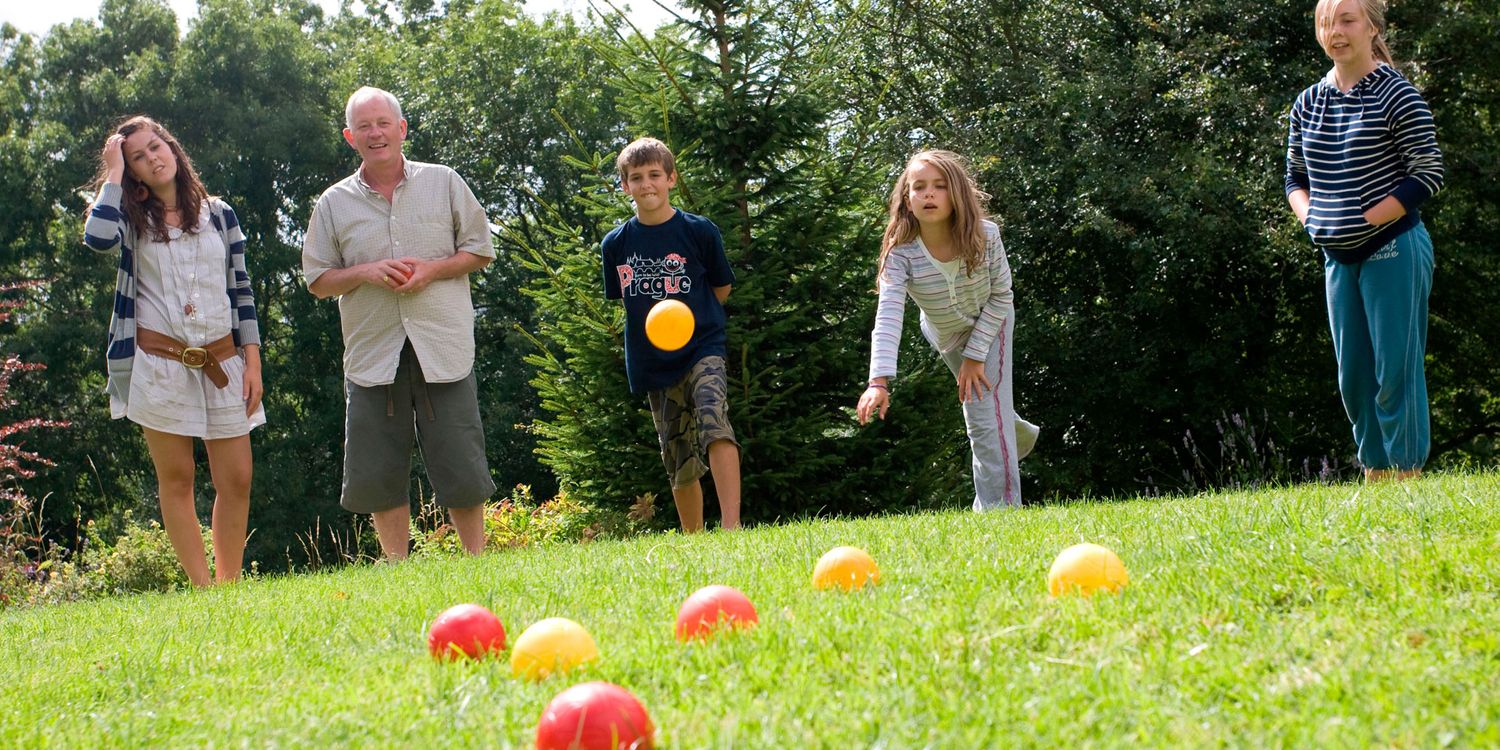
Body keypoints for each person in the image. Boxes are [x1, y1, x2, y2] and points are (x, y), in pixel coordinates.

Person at [302, 87, 496, 559]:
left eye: (383, 123)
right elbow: (317, 280)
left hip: (442, 345)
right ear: (350, 137)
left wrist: (431, 270)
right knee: (379, 468)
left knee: (459, 459)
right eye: (364, 126)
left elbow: (481, 250)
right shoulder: (333, 203)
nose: (375, 133)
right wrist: (365, 273)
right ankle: (398, 569)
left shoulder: (445, 181)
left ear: (402, 128)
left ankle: (476, 561)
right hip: (374, 351)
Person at [83, 116, 264, 586]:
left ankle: (230, 584)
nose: (152, 158)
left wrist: (253, 362)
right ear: (134, 173)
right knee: (178, 477)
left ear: (173, 147)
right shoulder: (128, 220)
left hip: (224, 360)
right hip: (159, 363)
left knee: (237, 478)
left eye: (155, 146)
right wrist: (113, 173)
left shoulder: (220, 214)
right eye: (138, 157)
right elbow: (96, 238)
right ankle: (203, 589)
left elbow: (242, 292)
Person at [1285, 0, 1443, 482]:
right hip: (1338, 256)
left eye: (1347, 20)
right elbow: (1294, 177)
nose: (1335, 31)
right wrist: (1312, 218)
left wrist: (1369, 216)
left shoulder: (1398, 95)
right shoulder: (1308, 102)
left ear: (1373, 27)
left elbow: (1429, 173)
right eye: (1326, 22)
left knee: (1395, 370)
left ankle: (1407, 476)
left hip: (1393, 247)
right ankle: (1376, 473)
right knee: (1354, 377)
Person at [856, 149, 1040, 511]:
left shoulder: (986, 236)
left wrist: (975, 356)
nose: (928, 194)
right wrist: (878, 381)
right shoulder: (901, 253)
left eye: (939, 186)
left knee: (981, 418)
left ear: (956, 193)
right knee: (993, 413)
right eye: (919, 187)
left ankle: (999, 512)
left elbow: (1002, 296)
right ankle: (1014, 433)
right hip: (945, 334)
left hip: (993, 323)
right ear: (906, 199)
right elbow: (889, 313)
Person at [602, 137, 740, 533]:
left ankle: (732, 528)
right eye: (636, 177)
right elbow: (625, 299)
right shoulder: (616, 244)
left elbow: (721, 288)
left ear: (672, 179)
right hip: (653, 360)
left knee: (715, 421)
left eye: (655, 175)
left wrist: (693, 321)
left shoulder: (699, 231)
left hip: (703, 346)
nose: (647, 185)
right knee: (676, 451)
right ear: (625, 186)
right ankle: (693, 536)